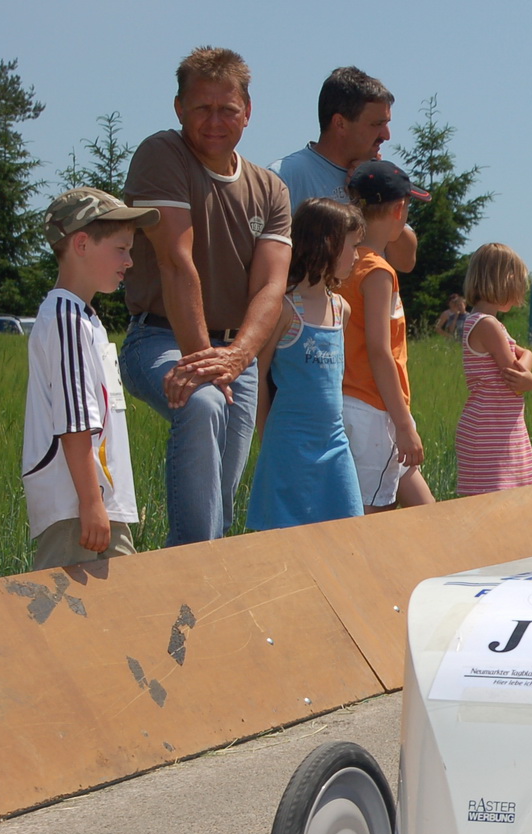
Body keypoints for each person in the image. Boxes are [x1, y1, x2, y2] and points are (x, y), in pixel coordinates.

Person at [121, 46, 291, 546]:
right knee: (202, 405)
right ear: (179, 109)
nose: (215, 120)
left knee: (220, 501)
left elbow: (271, 288)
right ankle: (189, 569)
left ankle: (200, 578)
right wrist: (203, 365)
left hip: (235, 354)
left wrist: (237, 358)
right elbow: (177, 262)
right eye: (202, 108)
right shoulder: (162, 154)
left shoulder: (270, 189)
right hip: (159, 339)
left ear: (248, 112)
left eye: (228, 109)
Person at [23, 189, 158, 568]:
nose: (129, 261)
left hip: (92, 504)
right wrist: (91, 502)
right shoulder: (66, 319)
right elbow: (74, 422)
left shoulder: (84, 318)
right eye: (121, 249)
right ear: (81, 243)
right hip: (78, 509)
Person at [247, 199, 366, 531]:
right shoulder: (285, 308)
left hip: (334, 442)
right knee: (284, 533)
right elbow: (258, 372)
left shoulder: (340, 309)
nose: (357, 255)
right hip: (288, 443)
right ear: (327, 243)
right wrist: (264, 433)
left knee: (347, 528)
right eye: (352, 246)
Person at [343, 159, 433, 513]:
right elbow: (381, 351)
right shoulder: (378, 271)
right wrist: (403, 424)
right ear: (399, 209)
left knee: (425, 512)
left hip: (358, 404)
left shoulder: (347, 261)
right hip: (375, 410)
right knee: (373, 521)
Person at [271, 66, 417, 273]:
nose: (386, 135)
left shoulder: (378, 177)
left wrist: (375, 198)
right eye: (376, 124)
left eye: (386, 123)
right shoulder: (284, 177)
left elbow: (406, 262)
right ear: (340, 123)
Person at [455, 243, 532, 496]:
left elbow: (521, 356)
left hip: (501, 426)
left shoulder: (486, 323)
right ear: (504, 281)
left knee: (510, 496)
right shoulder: (487, 325)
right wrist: (531, 378)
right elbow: (514, 375)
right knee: (496, 498)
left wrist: (529, 357)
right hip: (491, 428)